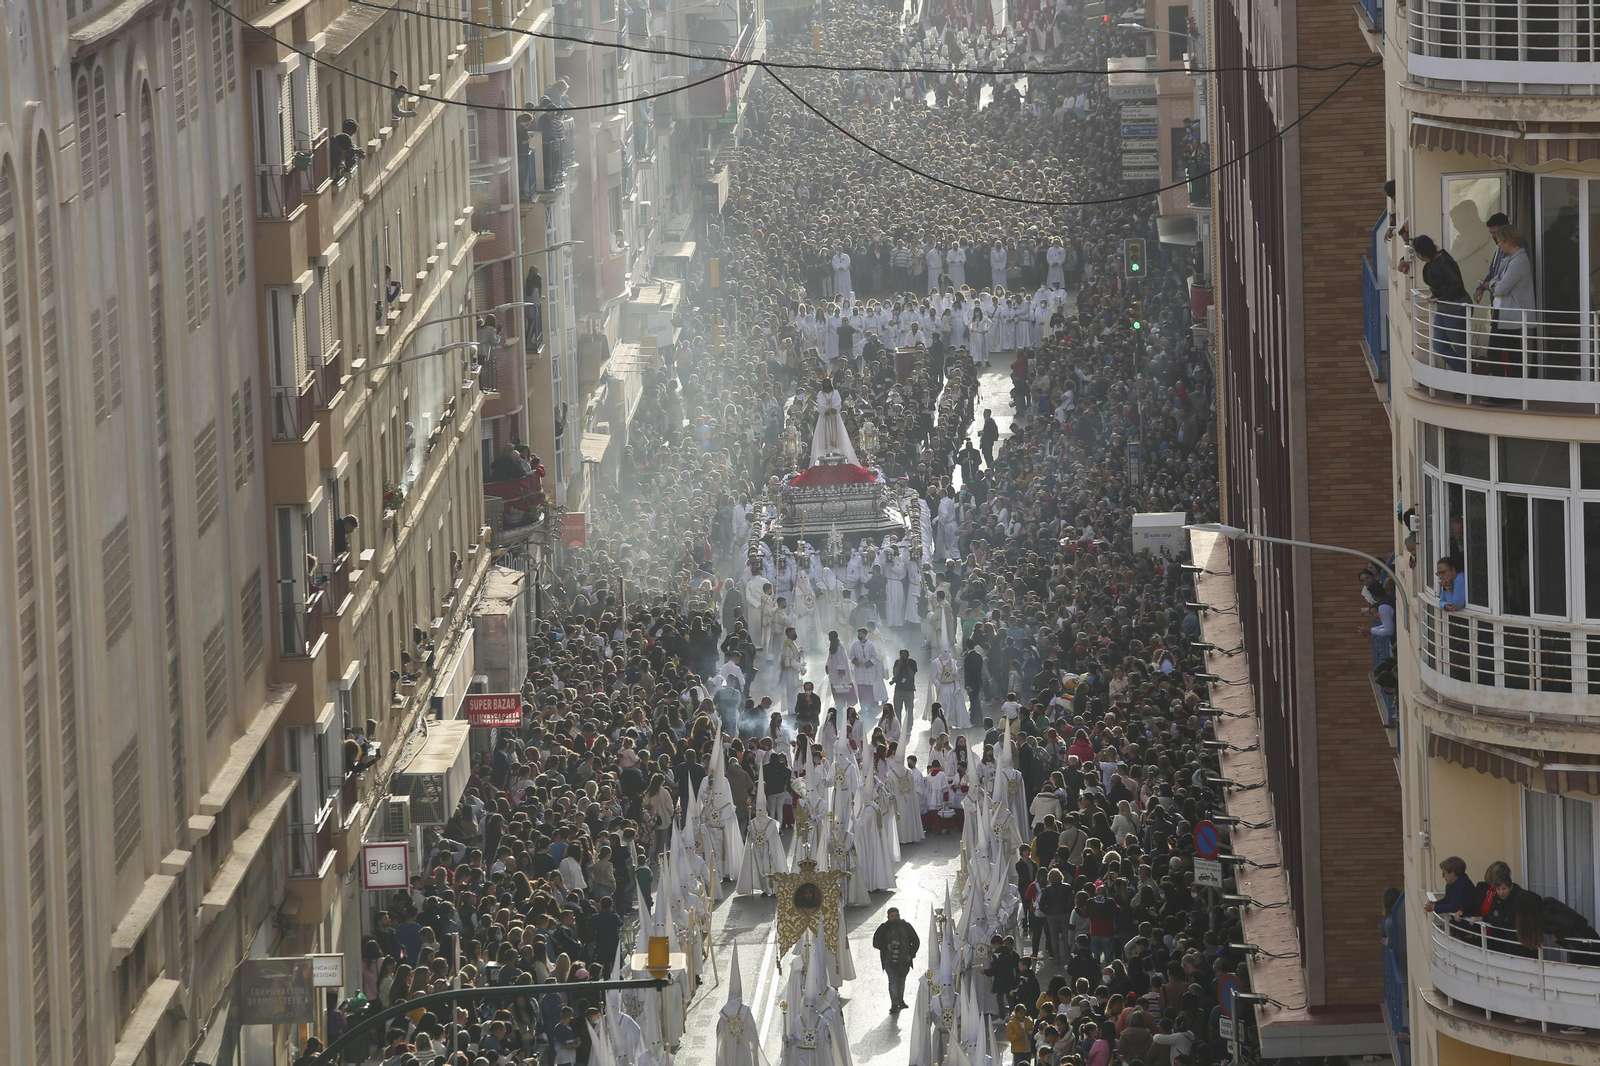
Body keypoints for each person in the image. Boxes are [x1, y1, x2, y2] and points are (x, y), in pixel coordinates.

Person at [1411, 235, 1470, 372]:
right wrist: (1436, 295)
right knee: (1439, 343)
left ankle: (1466, 379)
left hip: (1455, 306)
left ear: (1420, 253)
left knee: (1459, 345)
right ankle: (1463, 374)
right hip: (1445, 306)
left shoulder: (1443, 261)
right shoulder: (1434, 262)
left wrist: (1440, 297)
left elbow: (1456, 284)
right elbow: (1445, 284)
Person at [1486, 225, 1533, 376]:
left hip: (1509, 313)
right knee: (1512, 351)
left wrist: (1494, 285)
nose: (1498, 244)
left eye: (1499, 241)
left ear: (1507, 242)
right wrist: (1495, 284)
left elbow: (1500, 288)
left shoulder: (1518, 261)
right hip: (1503, 312)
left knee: (1495, 352)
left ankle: (1501, 393)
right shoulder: (1510, 259)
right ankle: (1512, 389)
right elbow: (1495, 279)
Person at [873, 905, 921, 1010]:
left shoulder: (906, 926)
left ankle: (900, 1000)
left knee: (901, 981)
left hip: (904, 960)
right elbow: (875, 942)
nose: (894, 918)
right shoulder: (883, 928)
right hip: (889, 961)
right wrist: (886, 947)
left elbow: (916, 941)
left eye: (896, 915)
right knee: (893, 981)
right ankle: (894, 1003)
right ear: (888, 917)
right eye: (892, 916)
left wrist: (911, 955)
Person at [891, 648, 918, 717]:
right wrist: (899, 664)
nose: (903, 658)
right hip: (899, 690)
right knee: (897, 710)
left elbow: (912, 674)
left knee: (909, 711)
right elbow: (895, 674)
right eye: (901, 656)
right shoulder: (897, 662)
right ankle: (898, 726)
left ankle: (909, 726)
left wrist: (907, 665)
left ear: (908, 656)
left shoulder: (912, 662)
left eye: (905, 656)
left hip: (909, 690)